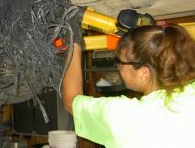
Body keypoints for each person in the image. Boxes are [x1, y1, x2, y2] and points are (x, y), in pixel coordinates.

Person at [62, 23, 195, 148]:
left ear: (144, 73)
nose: (118, 68)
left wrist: (74, 41)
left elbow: (71, 101)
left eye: (120, 62)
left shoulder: (125, 116)